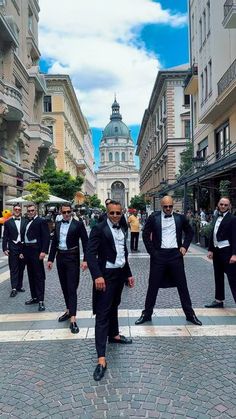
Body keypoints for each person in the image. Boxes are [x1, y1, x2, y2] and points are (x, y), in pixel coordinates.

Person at [87, 200, 135, 381]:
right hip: (105, 277)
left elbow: (123, 253)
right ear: (107, 213)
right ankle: (101, 359)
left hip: (120, 274)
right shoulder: (98, 229)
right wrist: (97, 276)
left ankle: (114, 335)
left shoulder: (123, 227)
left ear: (121, 212)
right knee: (102, 314)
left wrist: (128, 274)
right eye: (112, 213)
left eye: (118, 213)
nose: (115, 216)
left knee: (115, 305)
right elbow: (90, 254)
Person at [135, 195, 202, 326]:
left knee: (182, 286)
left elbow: (190, 232)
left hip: (175, 255)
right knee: (152, 286)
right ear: (161, 206)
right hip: (158, 255)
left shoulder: (180, 218)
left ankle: (190, 314)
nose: (168, 209)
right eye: (165, 206)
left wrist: (184, 247)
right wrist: (152, 252)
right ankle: (146, 314)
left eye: (170, 206)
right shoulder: (153, 218)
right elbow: (145, 234)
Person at [47, 203, 88, 333]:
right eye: (64, 212)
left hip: (72, 257)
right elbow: (54, 243)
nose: (66, 214)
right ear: (60, 212)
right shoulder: (58, 224)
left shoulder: (78, 224)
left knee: (71, 287)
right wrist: (50, 259)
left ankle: (73, 319)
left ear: (71, 212)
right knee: (64, 286)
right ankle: (68, 310)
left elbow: (86, 243)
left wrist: (86, 260)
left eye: (68, 212)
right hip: (60, 257)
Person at [205, 197, 236, 308]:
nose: (223, 206)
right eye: (221, 204)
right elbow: (212, 234)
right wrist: (210, 249)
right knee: (218, 276)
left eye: (225, 205)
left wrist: (234, 254)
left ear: (229, 206)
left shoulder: (232, 219)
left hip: (228, 253)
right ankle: (219, 301)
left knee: (233, 279)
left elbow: (235, 237)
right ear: (218, 204)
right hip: (217, 252)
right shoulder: (216, 217)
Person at [23, 204, 50, 311]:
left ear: (36, 210)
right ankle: (34, 297)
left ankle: (41, 300)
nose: (30, 212)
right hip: (27, 250)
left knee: (39, 276)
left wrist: (43, 251)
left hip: (36, 250)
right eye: (29, 210)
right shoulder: (25, 221)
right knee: (30, 275)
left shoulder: (41, 221)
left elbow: (46, 237)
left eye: (32, 210)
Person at [2, 204, 28, 297]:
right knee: (13, 268)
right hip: (12, 247)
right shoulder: (8, 222)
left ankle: (19, 286)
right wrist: (4, 248)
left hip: (23, 247)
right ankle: (14, 288)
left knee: (21, 268)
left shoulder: (26, 221)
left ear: (21, 211)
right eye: (15, 209)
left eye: (19, 209)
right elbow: (5, 236)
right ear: (13, 210)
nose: (17, 211)